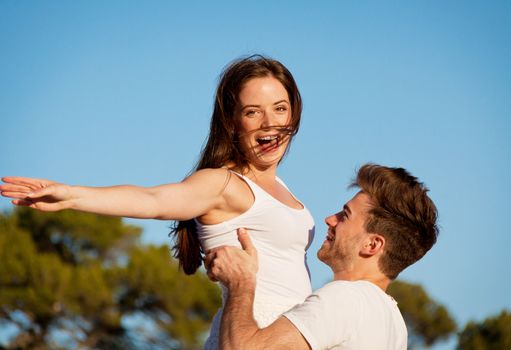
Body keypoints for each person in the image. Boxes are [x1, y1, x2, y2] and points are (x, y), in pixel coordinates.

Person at [0, 55, 315, 349]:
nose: (268, 122)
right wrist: (72, 195)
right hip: (248, 334)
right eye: (252, 112)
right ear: (232, 121)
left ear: (294, 113)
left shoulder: (282, 189)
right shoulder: (223, 183)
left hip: (284, 336)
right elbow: (153, 200)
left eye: (279, 108)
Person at [207, 163, 439, 350]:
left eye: (345, 215)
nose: (330, 219)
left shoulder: (346, 299)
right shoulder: (395, 326)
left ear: (372, 244)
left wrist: (241, 282)